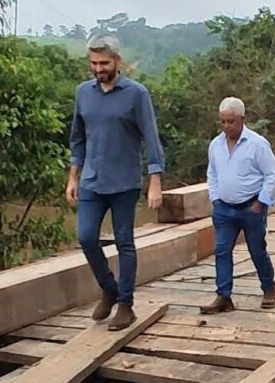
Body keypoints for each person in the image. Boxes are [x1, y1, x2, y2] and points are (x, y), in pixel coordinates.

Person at [66, 35, 165, 331]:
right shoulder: (84, 93)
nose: (99, 69)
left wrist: (155, 180)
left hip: (124, 182)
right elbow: (77, 138)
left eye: (104, 63)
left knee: (125, 243)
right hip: (92, 181)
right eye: (94, 63)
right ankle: (108, 288)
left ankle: (125, 304)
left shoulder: (136, 94)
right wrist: (73, 176)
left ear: (117, 61)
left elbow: (151, 137)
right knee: (85, 238)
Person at [199, 97, 275, 315]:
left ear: (242, 119)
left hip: (250, 207)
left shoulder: (257, 144)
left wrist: (261, 202)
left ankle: (268, 289)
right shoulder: (216, 145)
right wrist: (214, 197)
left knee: (256, 249)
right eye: (223, 122)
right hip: (224, 209)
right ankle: (223, 296)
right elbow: (212, 173)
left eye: (231, 122)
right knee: (222, 250)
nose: (226, 127)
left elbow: (272, 175)